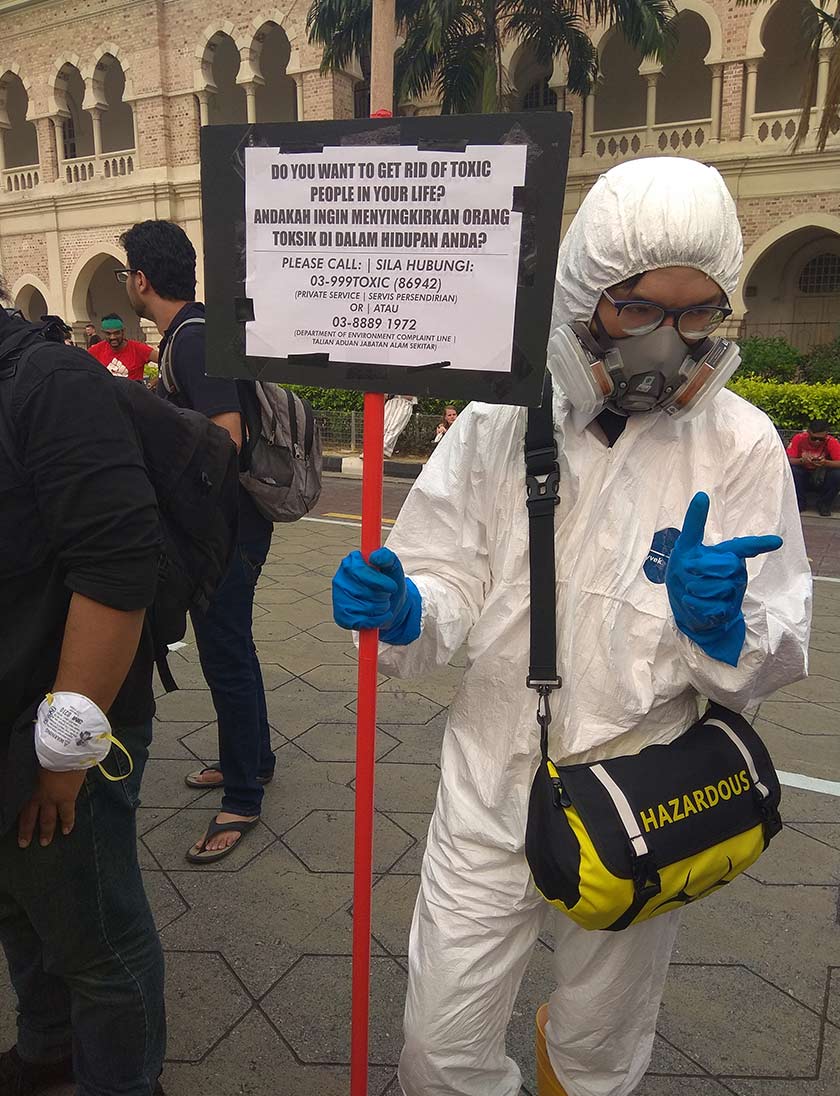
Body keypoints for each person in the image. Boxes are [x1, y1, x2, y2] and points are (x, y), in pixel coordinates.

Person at [331, 158, 811, 1096]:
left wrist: (724, 628)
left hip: (641, 782)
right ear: (585, 300)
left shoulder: (741, 443)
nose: (668, 344)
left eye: (697, 313)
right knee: (439, 1047)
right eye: (639, 310)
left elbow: (771, 644)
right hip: (490, 775)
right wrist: (408, 608)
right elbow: (447, 573)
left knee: (599, 1052)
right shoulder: (500, 420)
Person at [0, 287, 166, 1094]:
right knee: (17, 907)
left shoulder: (47, 384)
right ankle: (45, 1048)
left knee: (96, 934)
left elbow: (119, 571)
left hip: (60, 726)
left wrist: (61, 755)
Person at [118, 219, 275, 863]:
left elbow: (226, 435)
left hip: (228, 530)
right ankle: (254, 758)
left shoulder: (191, 340)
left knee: (225, 654)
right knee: (232, 647)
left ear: (142, 280)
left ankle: (241, 795)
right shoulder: (195, 332)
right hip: (234, 526)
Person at [786, 418, 840, 516]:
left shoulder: (832, 442)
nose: (817, 442)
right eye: (814, 438)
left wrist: (826, 463)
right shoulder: (799, 438)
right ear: (808, 433)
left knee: (837, 474)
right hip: (803, 476)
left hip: (822, 477)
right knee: (794, 471)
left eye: (821, 439)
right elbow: (787, 460)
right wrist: (801, 461)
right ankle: (799, 503)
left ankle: (824, 504)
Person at [88, 313, 158, 380]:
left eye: (116, 333)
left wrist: (153, 382)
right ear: (103, 333)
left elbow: (165, 360)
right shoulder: (95, 350)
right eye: (108, 334)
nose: (112, 337)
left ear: (123, 331)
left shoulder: (138, 348)